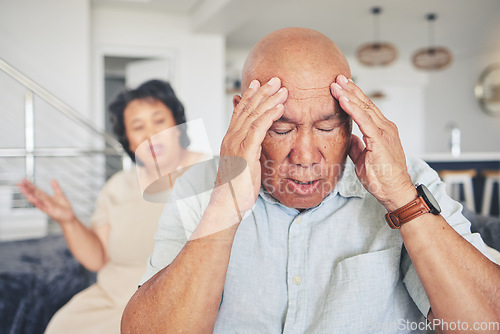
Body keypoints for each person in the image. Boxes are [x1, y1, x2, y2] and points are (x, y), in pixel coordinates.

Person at [121, 28, 500, 333]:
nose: (305, 156)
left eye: (327, 125)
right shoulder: (201, 186)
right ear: (243, 116)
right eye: (282, 128)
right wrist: (225, 204)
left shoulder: (406, 179)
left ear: (352, 118)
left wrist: (403, 199)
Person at [18, 79, 206, 333]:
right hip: (111, 300)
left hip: (173, 305)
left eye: (159, 121)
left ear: (177, 127)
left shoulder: (211, 174)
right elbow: (96, 258)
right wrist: (68, 220)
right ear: (129, 141)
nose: (151, 134)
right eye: (138, 127)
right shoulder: (118, 185)